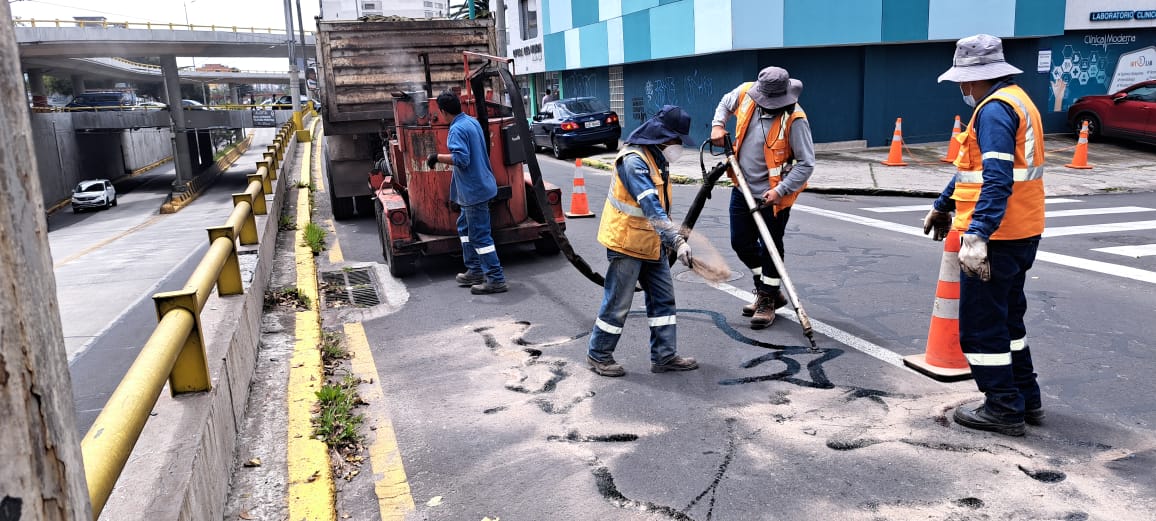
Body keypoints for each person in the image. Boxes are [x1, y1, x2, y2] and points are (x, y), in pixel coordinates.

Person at [923, 34, 1046, 437]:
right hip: (1022, 231)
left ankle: (1002, 407)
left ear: (974, 78)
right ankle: (1026, 398)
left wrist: (976, 234)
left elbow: (996, 180)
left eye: (963, 81)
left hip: (997, 237)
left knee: (980, 327)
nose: (962, 88)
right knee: (1009, 321)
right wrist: (944, 203)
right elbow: (969, 171)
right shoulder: (1018, 100)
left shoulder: (993, 111)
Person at [586, 105, 699, 377]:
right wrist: (677, 241)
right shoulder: (634, 161)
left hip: (651, 242)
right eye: (676, 140)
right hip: (626, 243)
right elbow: (650, 205)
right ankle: (598, 354)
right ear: (662, 136)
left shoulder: (657, 158)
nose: (678, 146)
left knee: (663, 300)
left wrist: (668, 240)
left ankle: (664, 356)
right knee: (618, 303)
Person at [710, 67, 815, 329]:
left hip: (775, 196)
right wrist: (718, 125)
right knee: (740, 242)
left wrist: (779, 191)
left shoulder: (795, 120)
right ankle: (766, 288)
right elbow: (725, 102)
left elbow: (806, 164)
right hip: (743, 186)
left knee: (770, 246)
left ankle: (767, 299)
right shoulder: (746, 93)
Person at [426, 91, 507, 295]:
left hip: (474, 192)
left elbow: (462, 159)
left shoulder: (457, 130)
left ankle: (495, 279)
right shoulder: (471, 122)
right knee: (464, 227)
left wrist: (436, 157)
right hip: (479, 186)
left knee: (480, 236)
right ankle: (475, 269)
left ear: (443, 112)